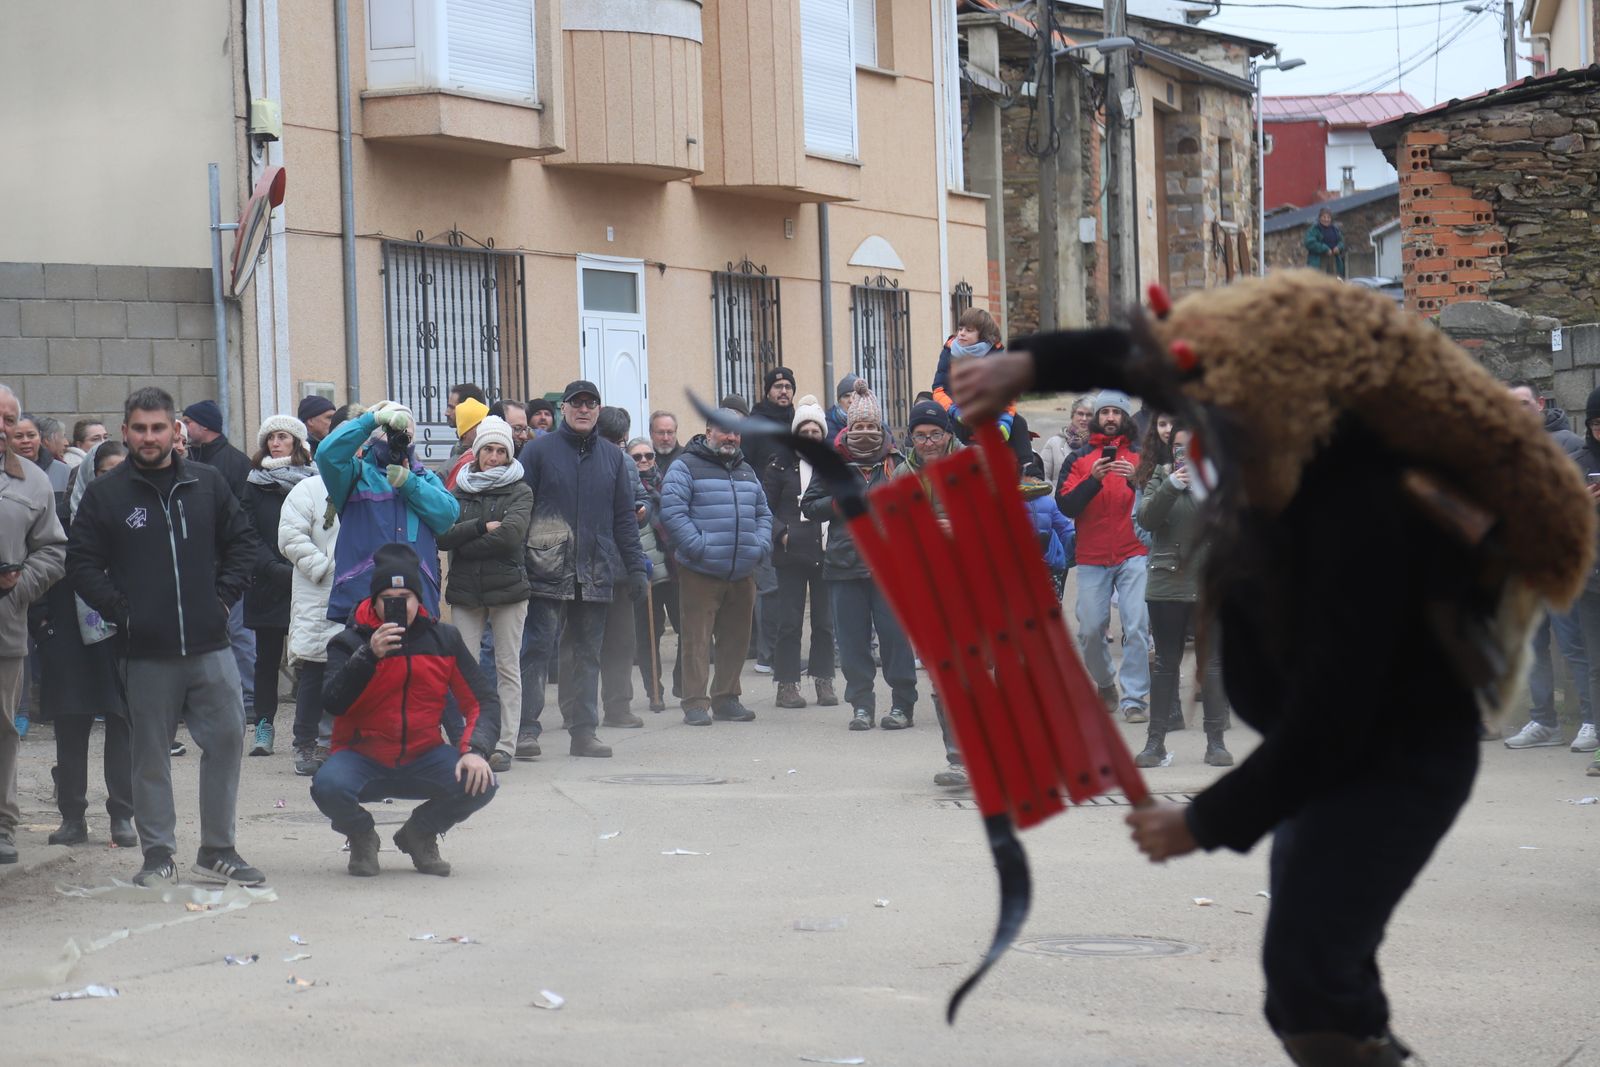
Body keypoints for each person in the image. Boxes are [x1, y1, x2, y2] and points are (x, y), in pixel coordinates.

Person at [954, 269, 1596, 1066]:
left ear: (1276, 405)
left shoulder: (1355, 509)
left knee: (1309, 984)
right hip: (1342, 765)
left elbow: (1331, 721)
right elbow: (1151, 358)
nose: (1201, 429)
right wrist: (1027, 365)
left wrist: (1202, 821)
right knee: (1326, 986)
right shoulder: (1272, 435)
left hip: (1395, 764)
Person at [69, 386, 263, 887]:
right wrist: (123, 612)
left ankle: (217, 849)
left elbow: (243, 543)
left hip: (210, 644)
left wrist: (222, 600)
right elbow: (82, 564)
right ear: (125, 432)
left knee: (226, 740)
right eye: (140, 428)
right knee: (149, 755)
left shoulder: (208, 482)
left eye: (159, 427)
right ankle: (158, 855)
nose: (149, 437)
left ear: (176, 430)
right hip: (146, 651)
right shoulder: (106, 494)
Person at [313, 543, 499, 877]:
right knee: (326, 786)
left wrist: (474, 751)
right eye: (388, 599)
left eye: (405, 598)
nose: (398, 606)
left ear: (420, 599)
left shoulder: (444, 639)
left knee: (482, 780)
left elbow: (482, 701)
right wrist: (368, 656)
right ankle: (361, 834)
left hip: (423, 754)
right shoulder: (349, 642)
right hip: (361, 756)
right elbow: (332, 702)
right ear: (374, 600)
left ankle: (420, 833)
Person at [515, 381, 649, 759]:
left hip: (595, 567)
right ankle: (527, 730)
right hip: (544, 565)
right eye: (577, 403)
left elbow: (625, 517)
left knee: (589, 653)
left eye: (591, 404)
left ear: (598, 409)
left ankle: (584, 732)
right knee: (537, 650)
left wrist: (636, 568)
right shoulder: (538, 452)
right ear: (565, 409)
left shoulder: (612, 457)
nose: (584, 410)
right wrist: (518, 563)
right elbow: (521, 510)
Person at [802, 381, 917, 731]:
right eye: (859, 426)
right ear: (849, 429)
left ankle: (902, 706)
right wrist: (836, 504)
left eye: (871, 426)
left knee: (895, 641)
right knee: (852, 644)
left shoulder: (899, 464)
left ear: (880, 428)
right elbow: (809, 505)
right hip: (844, 566)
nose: (865, 432)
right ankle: (861, 706)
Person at [36, 441, 135, 848]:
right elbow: (39, 560)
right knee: (71, 727)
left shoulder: (136, 520)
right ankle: (73, 817)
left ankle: (123, 816)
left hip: (122, 634)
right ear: (87, 476)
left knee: (122, 725)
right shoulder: (61, 519)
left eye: (119, 472)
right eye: (103, 471)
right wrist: (43, 622)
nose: (110, 480)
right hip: (68, 636)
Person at [658, 410, 772, 725]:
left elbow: (763, 513)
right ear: (709, 431)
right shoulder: (686, 466)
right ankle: (695, 703)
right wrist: (699, 548)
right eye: (724, 431)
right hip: (700, 572)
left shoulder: (747, 470)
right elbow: (673, 512)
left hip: (742, 570)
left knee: (736, 638)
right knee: (696, 638)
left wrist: (758, 546)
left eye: (736, 433)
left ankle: (726, 698)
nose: (731, 437)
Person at [1131, 420, 1232, 769]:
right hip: (1166, 585)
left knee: (1213, 665)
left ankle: (1216, 742)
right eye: (1178, 448)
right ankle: (1154, 742)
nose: (1183, 454)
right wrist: (1172, 485)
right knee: (1166, 666)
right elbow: (1147, 519)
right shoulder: (1160, 477)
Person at [437, 416, 532, 772]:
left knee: (508, 667)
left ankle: (504, 744)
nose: (493, 456)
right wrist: (478, 527)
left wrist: (466, 542)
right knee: (463, 668)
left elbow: (510, 537)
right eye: (488, 449)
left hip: (508, 590)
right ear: (477, 452)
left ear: (509, 454)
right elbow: (442, 536)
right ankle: (471, 740)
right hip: (465, 590)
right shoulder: (458, 488)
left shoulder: (520, 489)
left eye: (500, 450)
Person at [1503, 380, 1594, 751]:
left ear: (1539, 404)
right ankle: (1544, 722)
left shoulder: (1570, 444)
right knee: (1533, 646)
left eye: (1523, 403)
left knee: (1574, 645)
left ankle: (1591, 720)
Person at [315, 400, 460, 626]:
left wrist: (409, 483)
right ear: (374, 435)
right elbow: (326, 455)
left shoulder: (425, 478)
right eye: (390, 432)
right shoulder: (356, 475)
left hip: (416, 594)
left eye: (406, 434)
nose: (398, 439)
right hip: (362, 593)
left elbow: (448, 516)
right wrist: (371, 420)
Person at [0, 386, 67, 865]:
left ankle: (2, 824)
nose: (2, 426)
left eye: (9, 418)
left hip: (4, 628)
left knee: (3, 729)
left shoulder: (33, 482)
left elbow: (53, 550)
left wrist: (17, 590)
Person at [1057, 389, 1151, 723]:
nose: (1110, 417)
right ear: (1096, 416)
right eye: (1105, 412)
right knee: (1090, 629)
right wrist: (1093, 480)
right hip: (1092, 556)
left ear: (1126, 418)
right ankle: (1106, 682)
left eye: (1116, 412)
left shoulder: (1143, 455)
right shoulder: (1078, 458)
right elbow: (1065, 505)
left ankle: (1135, 698)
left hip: (1134, 553)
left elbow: (1155, 506)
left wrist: (1134, 483)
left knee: (1137, 625)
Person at [278, 408, 356, 777]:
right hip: (318, 591)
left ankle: (344, 742)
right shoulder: (307, 489)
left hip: (358, 593)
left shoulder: (365, 482)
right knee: (314, 670)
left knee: (354, 670)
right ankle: (305, 743)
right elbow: (290, 537)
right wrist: (325, 566)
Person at [558, 406, 644, 731]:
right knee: (575, 641)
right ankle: (573, 711)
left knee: (621, 640)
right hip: (579, 566)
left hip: (618, 567)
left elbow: (638, 501)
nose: (616, 447)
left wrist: (642, 510)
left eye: (618, 441)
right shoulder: (570, 458)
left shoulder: (624, 463)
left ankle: (618, 707)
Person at [241, 414, 318, 756]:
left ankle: (308, 730)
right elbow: (247, 532)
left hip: (307, 579)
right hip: (267, 580)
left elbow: (322, 528)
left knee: (310, 657)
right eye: (270, 437)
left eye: (282, 436)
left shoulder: (315, 482)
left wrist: (305, 567)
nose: (274, 442)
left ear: (297, 443)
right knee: (266, 658)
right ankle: (264, 726)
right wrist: (271, 567)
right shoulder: (254, 483)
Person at [181, 399, 257, 727]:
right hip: (197, 564)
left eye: (187, 421)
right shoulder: (190, 459)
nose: (183, 428)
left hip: (229, 565)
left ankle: (249, 698)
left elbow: (242, 518)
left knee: (239, 633)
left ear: (205, 425)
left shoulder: (236, 463)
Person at [762, 396, 839, 710]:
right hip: (791, 554)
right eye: (804, 432)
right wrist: (782, 533)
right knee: (790, 622)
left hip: (825, 553)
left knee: (824, 623)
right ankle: (787, 685)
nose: (810, 438)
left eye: (815, 433)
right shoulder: (779, 464)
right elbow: (763, 508)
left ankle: (824, 681)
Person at [745, 368, 798, 674]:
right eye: (777, 386)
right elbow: (744, 465)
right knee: (770, 587)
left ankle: (784, 651)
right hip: (764, 512)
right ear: (767, 391)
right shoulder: (754, 425)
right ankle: (768, 655)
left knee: (789, 586)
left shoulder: (798, 421)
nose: (783, 391)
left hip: (795, 514)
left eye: (788, 386)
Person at [627, 436, 676, 711]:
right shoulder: (628, 488)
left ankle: (681, 682)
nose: (644, 461)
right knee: (649, 637)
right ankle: (653, 691)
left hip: (674, 570)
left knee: (686, 629)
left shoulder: (667, 484)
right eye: (637, 457)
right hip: (646, 575)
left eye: (649, 456)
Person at [932, 307, 1014, 444]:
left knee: (1019, 424)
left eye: (969, 330)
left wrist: (1004, 421)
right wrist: (956, 411)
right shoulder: (949, 350)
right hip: (954, 411)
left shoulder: (997, 354)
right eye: (960, 329)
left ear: (982, 335)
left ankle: (1028, 464)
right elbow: (938, 389)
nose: (962, 334)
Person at [1040, 397, 1093, 487]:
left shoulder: (1099, 445)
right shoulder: (1054, 443)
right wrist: (1055, 497)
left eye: (1089, 415)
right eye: (1080, 414)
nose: (1084, 418)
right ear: (1072, 416)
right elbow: (1042, 476)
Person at [442, 396, 489, 489]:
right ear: (464, 433)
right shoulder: (448, 469)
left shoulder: (491, 456)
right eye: (480, 425)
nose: (487, 428)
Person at [1303, 207, 1346, 278]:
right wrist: (1325, 249)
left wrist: (1338, 247)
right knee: (1320, 282)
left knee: (1334, 281)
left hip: (1333, 259)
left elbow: (1341, 241)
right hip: (1318, 260)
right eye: (1324, 217)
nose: (1326, 219)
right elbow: (1309, 242)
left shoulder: (1335, 229)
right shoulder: (1314, 229)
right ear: (1320, 218)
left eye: (1328, 217)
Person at [825, 374, 862, 442]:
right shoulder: (825, 425)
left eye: (855, 396)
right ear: (839, 401)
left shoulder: (875, 424)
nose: (851, 400)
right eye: (846, 396)